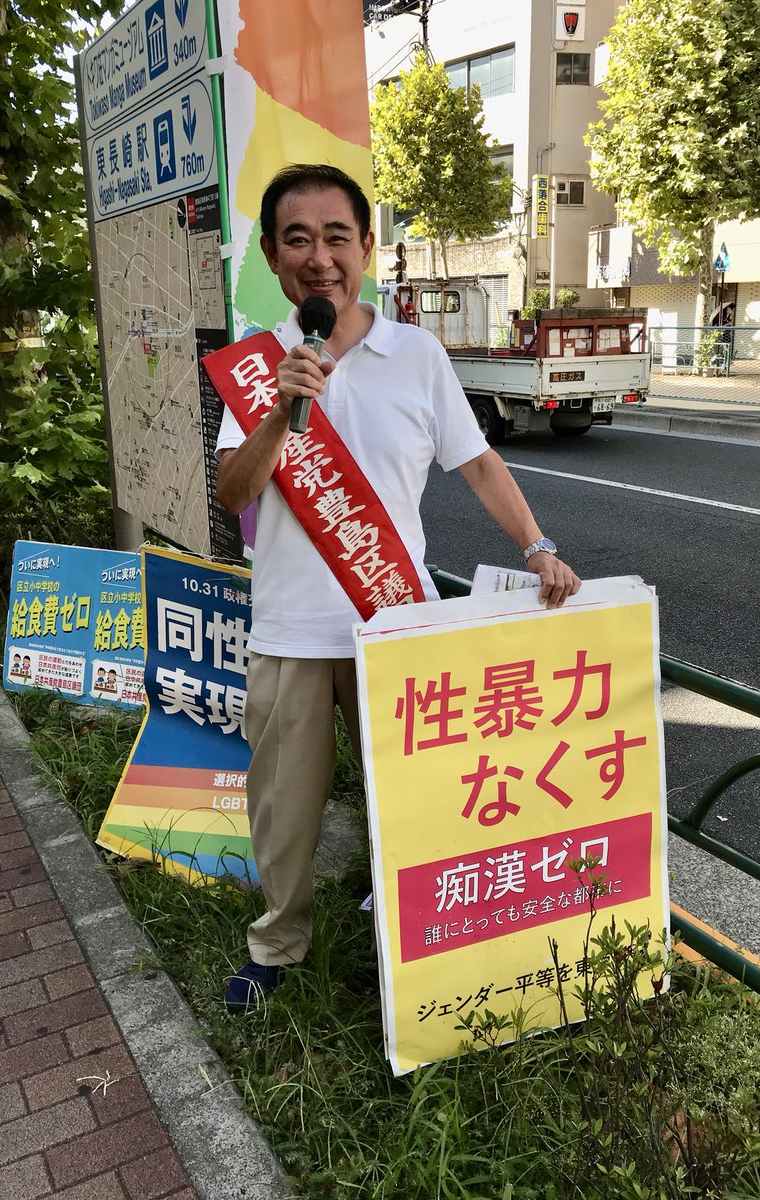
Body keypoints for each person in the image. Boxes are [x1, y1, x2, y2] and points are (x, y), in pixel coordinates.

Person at [215, 163, 580, 1011]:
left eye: (336, 237)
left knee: (414, 800)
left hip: (396, 623)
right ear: (272, 255)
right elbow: (233, 492)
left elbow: (478, 464)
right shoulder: (260, 364)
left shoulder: (416, 354)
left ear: (367, 247)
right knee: (282, 807)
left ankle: (413, 940)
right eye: (297, 239)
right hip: (290, 630)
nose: (319, 257)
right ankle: (278, 943)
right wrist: (279, 412)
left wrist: (537, 547)